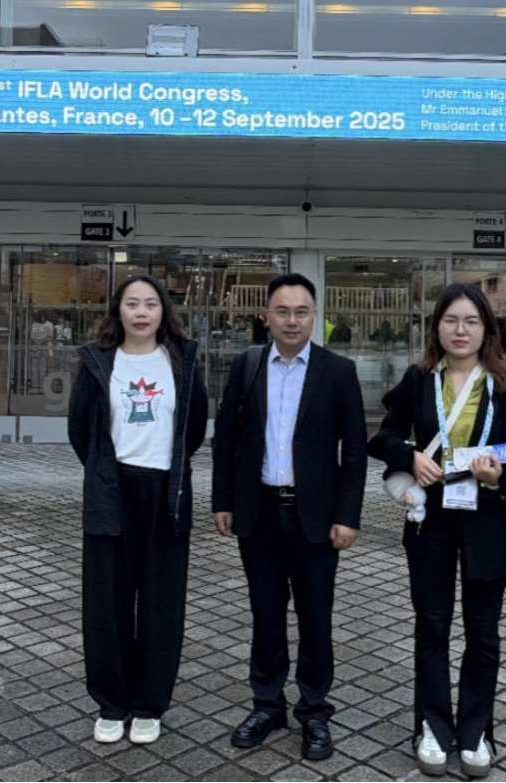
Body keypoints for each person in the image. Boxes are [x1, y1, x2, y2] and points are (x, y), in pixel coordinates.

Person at [368, 282, 506, 778]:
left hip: (489, 520)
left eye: (471, 321)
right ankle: (431, 727)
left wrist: (500, 476)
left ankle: (475, 733)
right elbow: (383, 437)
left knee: (483, 632)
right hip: (433, 520)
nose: (461, 330)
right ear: (437, 327)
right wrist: (410, 457)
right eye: (451, 320)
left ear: (487, 329)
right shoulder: (419, 379)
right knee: (432, 626)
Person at [212, 273, 368, 761]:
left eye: (301, 311)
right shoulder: (248, 366)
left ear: (314, 316)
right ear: (267, 316)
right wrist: (223, 500)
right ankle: (267, 705)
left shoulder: (338, 371)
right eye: (282, 311)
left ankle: (315, 711)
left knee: (315, 618)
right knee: (266, 615)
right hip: (257, 512)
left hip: (314, 518)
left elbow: (355, 452)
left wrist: (347, 516)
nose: (292, 320)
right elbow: (226, 438)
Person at [68, 275, 209, 746]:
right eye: (132, 304)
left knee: (160, 602)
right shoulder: (97, 361)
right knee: (106, 602)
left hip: (165, 491)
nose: (142, 312)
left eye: (151, 303)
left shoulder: (181, 361)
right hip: (111, 489)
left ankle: (149, 704)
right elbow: (80, 430)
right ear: (118, 311)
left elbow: (193, 427)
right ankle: (112, 703)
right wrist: (105, 472)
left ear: (163, 311)